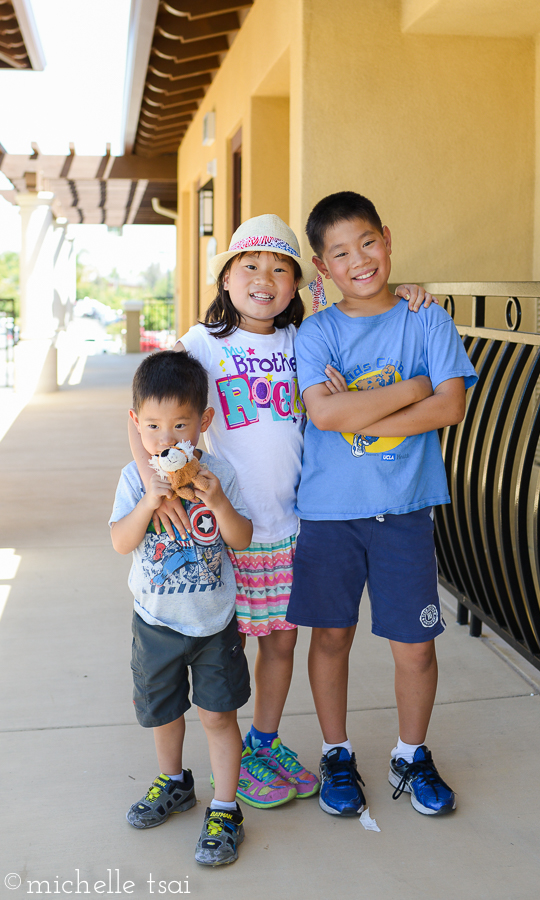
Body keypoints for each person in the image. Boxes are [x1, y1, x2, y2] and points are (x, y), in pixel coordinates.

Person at [128, 214, 436, 810]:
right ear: (226, 277)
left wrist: (409, 294)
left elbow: (363, 331)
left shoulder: (306, 340)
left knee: (281, 642)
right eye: (250, 266)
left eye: (279, 269)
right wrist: (154, 486)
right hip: (224, 530)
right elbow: (143, 414)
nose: (264, 279)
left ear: (299, 284)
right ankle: (229, 747)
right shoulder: (199, 345)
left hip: (293, 527)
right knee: (228, 645)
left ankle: (264, 742)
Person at [286, 191, 478, 819]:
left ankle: (410, 753)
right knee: (331, 635)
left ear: (387, 239)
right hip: (330, 513)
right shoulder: (316, 332)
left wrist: (376, 403)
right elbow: (324, 411)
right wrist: (415, 386)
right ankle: (336, 751)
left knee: (416, 646)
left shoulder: (427, 320)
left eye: (368, 242)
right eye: (340, 253)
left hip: (404, 509)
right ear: (324, 268)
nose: (359, 260)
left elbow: (451, 405)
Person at [110, 350, 253, 866]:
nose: (165, 439)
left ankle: (224, 807)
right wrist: (149, 501)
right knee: (164, 714)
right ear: (136, 424)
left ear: (204, 423)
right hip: (155, 624)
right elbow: (121, 542)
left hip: (214, 623)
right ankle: (173, 783)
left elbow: (241, 538)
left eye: (179, 425)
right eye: (152, 425)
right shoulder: (135, 479)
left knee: (219, 716)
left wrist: (217, 504)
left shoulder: (218, 474)